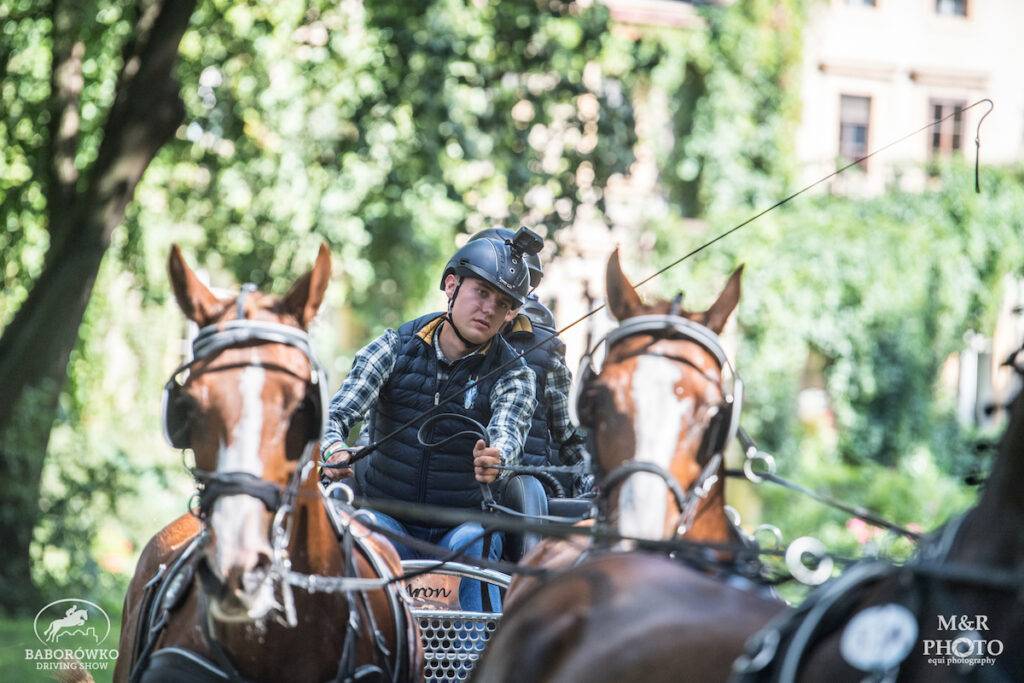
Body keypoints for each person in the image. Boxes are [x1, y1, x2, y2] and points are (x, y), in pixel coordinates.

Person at [320, 229, 541, 612]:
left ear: (510, 315)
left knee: (477, 541)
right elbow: (334, 417)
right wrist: (334, 449)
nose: (489, 309)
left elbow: (508, 435)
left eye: (503, 304)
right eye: (482, 292)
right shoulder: (391, 347)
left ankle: (474, 650)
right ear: (452, 286)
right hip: (385, 518)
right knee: (360, 536)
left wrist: (497, 460)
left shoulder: (515, 375)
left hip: (462, 528)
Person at [467, 229, 588, 495]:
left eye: (514, 289)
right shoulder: (431, 337)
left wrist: (594, 485)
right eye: (484, 289)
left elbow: (572, 439)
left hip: (523, 500)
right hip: (453, 496)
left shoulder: (545, 350)